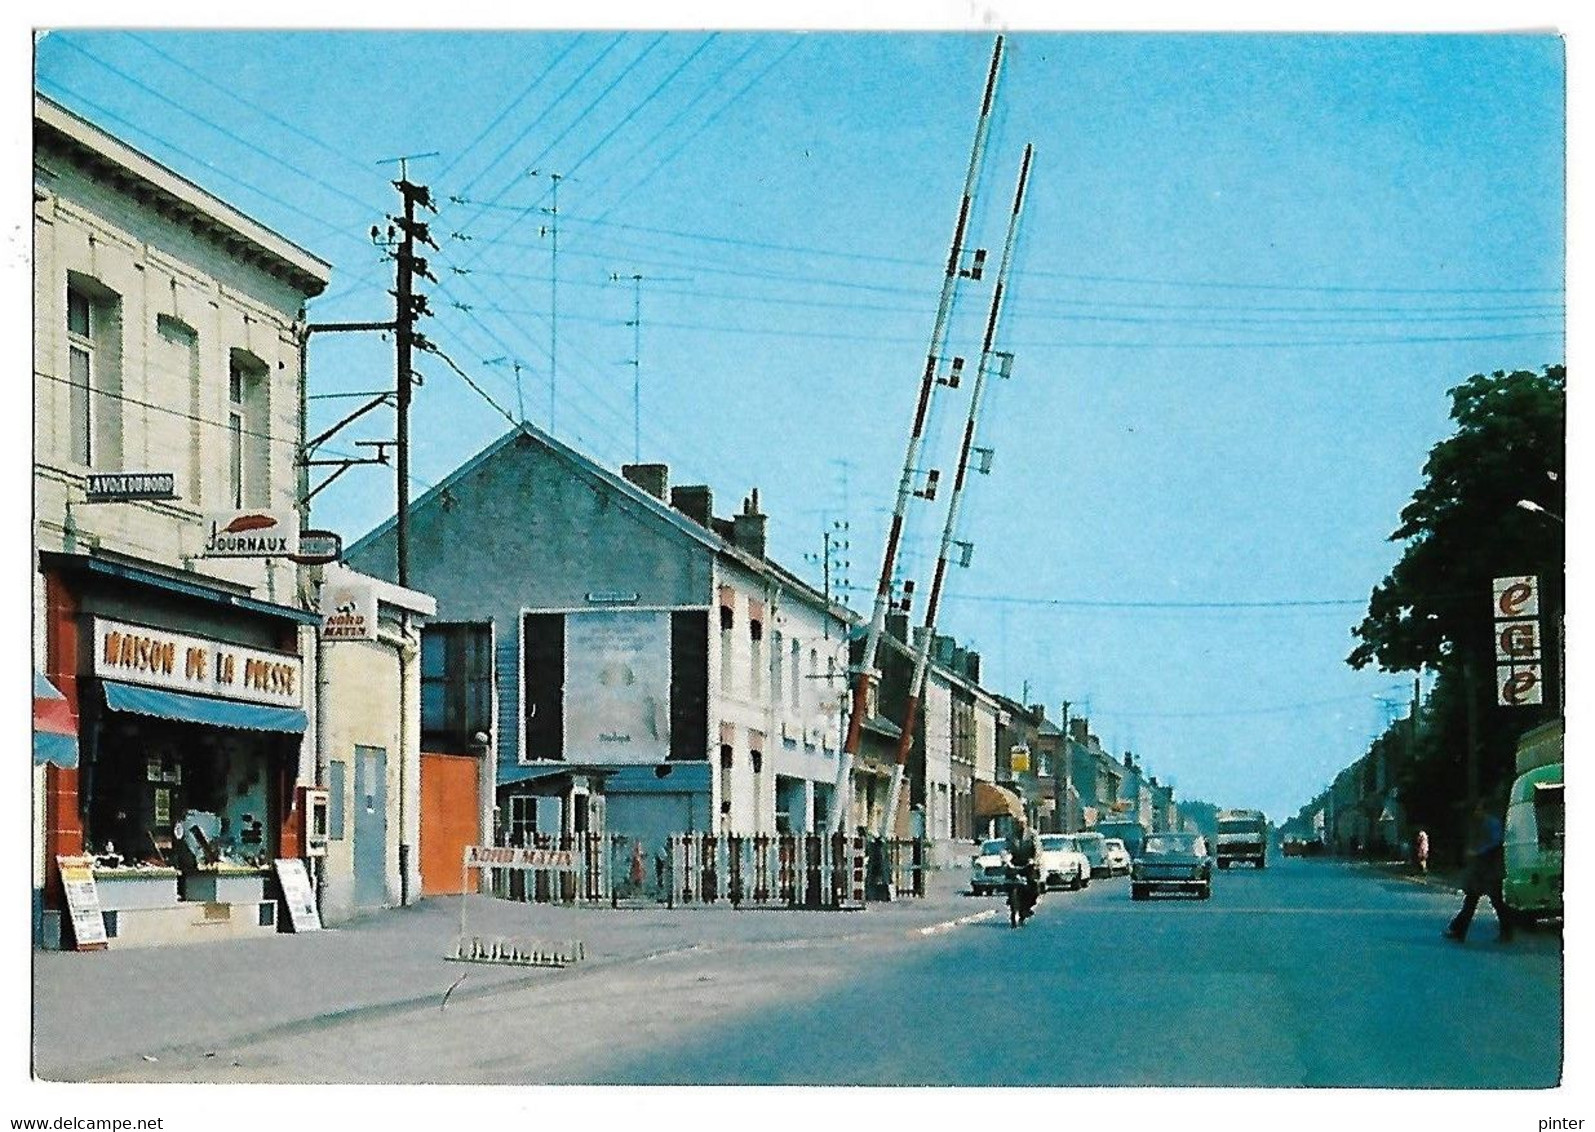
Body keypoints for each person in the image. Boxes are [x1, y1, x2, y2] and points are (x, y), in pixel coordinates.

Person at [1445, 800, 1512, 943]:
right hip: (1480, 871)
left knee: (1496, 902)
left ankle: (1507, 931)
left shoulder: (1491, 823)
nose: (1476, 813)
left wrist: (1477, 852)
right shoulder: (1479, 824)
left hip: (1491, 871)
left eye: (1478, 810)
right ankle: (1458, 930)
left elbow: (1496, 843)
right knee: (1471, 901)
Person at [1004, 815, 1041, 921]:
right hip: (1015, 863)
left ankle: (1028, 906)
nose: (1021, 825)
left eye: (1023, 823)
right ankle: (1011, 900)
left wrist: (1034, 860)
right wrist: (1006, 859)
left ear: (1026, 823)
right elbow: (1006, 848)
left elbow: (1037, 848)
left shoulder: (1032, 834)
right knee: (1009, 881)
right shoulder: (1011, 835)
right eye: (1018, 823)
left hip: (1028, 863)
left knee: (1034, 886)